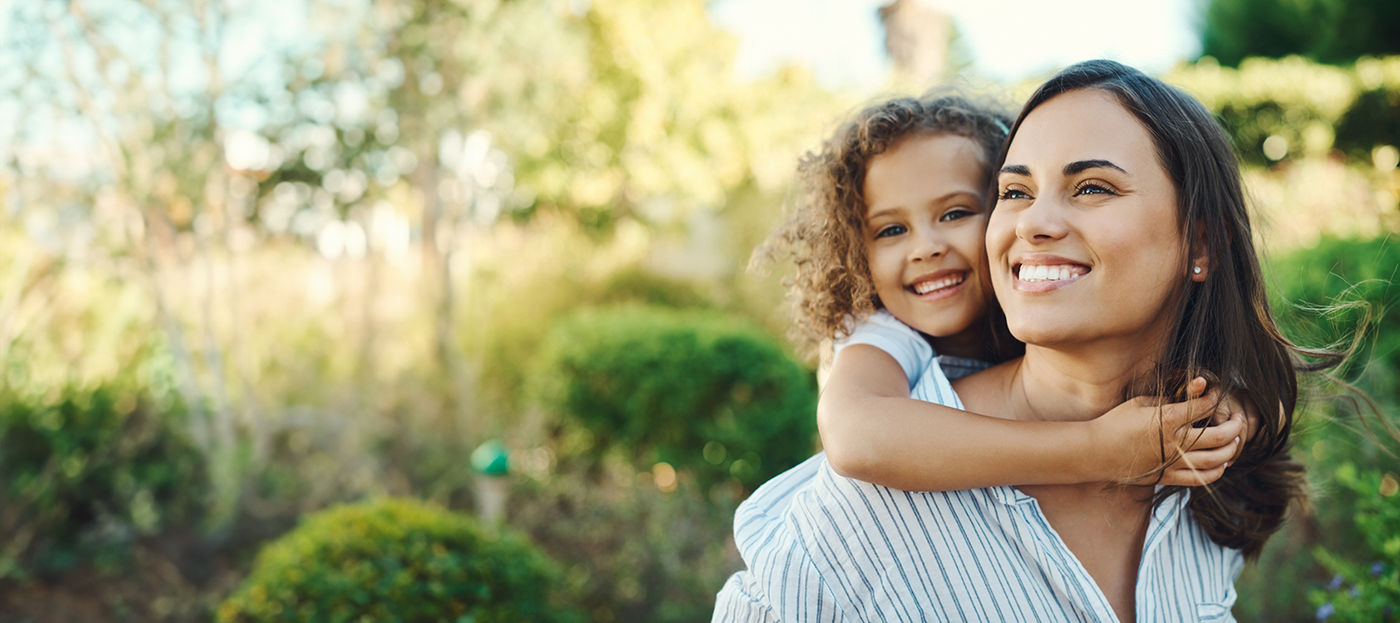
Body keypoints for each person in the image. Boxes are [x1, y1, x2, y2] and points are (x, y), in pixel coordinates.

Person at [715, 60, 1330, 622]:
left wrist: (1236, 414)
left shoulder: (1200, 471)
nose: (1033, 222)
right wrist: (1096, 450)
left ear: (1202, 245)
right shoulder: (863, 507)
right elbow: (856, 433)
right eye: (1016, 192)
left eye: (1091, 187)